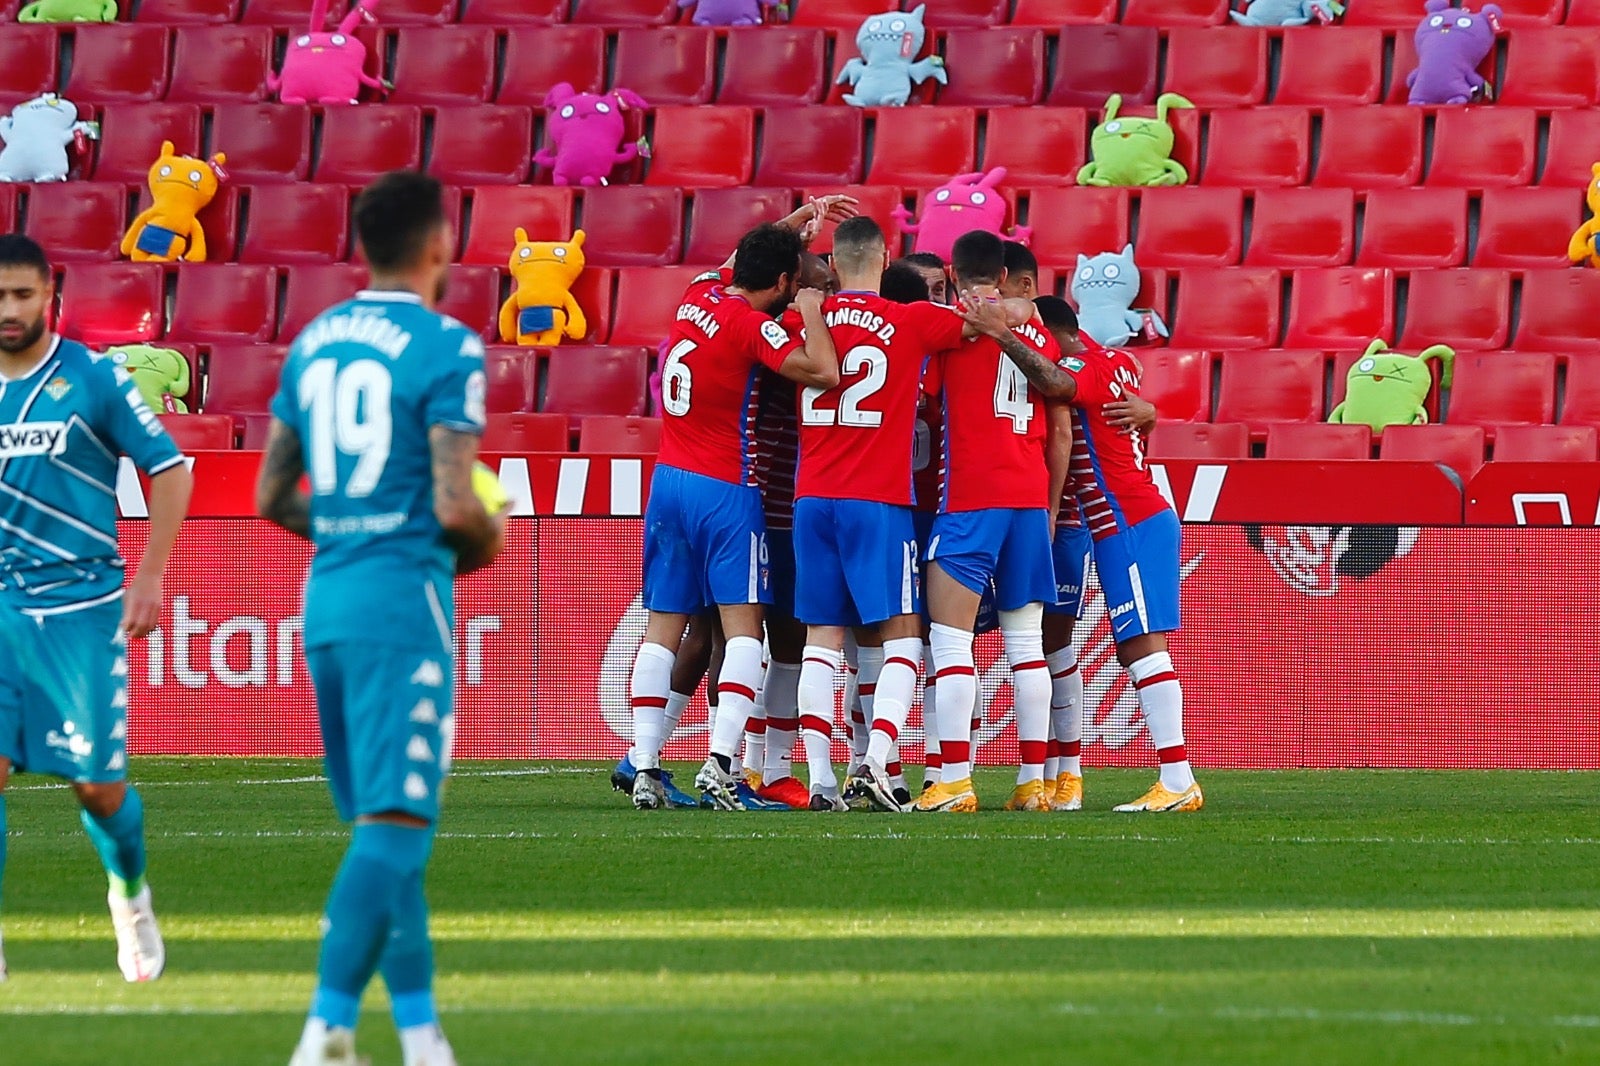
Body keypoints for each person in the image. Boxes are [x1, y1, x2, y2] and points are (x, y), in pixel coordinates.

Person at [258, 171, 507, 1066]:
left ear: (362, 246)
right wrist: (487, 538)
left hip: (328, 600)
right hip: (402, 606)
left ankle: (420, 1036)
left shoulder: (314, 341)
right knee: (398, 830)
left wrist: (353, 529)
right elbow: (453, 505)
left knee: (382, 829)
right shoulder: (448, 346)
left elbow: (271, 494)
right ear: (440, 244)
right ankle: (324, 1030)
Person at [0, 233, 191, 984]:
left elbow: (170, 471)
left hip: (82, 607)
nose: (9, 309)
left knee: (99, 790)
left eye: (22, 294)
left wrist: (150, 575)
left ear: (50, 294)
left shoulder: (93, 378)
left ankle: (129, 897)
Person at [628, 201, 851, 812]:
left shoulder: (696, 293)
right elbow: (823, 372)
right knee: (744, 630)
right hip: (726, 489)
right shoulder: (750, 326)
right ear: (781, 282)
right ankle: (721, 764)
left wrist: (790, 223)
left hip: (667, 482)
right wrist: (812, 310)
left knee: (663, 627)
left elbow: (735, 260)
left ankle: (645, 766)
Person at [985, 294, 1203, 814]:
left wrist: (1003, 334)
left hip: (1131, 521)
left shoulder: (1084, 366)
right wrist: (1149, 413)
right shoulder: (1117, 362)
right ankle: (1174, 778)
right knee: (1134, 649)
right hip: (1120, 524)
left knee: (1145, 647)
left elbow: (1058, 383)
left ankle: (1178, 779)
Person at [789, 218, 970, 812]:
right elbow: (981, 325)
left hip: (812, 497)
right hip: (879, 499)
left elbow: (728, 291)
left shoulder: (802, 317)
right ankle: (874, 761)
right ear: (887, 258)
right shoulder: (912, 319)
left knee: (821, 639)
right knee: (903, 636)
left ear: (833, 265)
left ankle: (820, 779)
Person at [997, 246, 1156, 811]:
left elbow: (1065, 428)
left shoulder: (1073, 362)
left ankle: (1063, 773)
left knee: (1051, 642)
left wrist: (1049, 509)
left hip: (1057, 521)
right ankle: (1045, 775)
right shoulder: (1114, 363)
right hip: (1031, 514)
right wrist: (1149, 413)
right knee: (1036, 643)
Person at [915, 231, 1061, 815]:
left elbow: (924, 397)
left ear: (953, 274)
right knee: (1027, 645)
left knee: (951, 643)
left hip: (971, 497)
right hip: (1028, 498)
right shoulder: (1035, 330)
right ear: (1003, 276)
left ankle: (954, 780)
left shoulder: (954, 328)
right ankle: (1032, 783)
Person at [752, 252, 836, 811]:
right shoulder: (786, 336)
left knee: (762, 642)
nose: (831, 297)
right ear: (796, 286)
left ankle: (756, 764)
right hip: (774, 506)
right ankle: (760, 765)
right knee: (775, 642)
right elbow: (824, 373)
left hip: (773, 503)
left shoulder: (771, 330)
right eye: (823, 286)